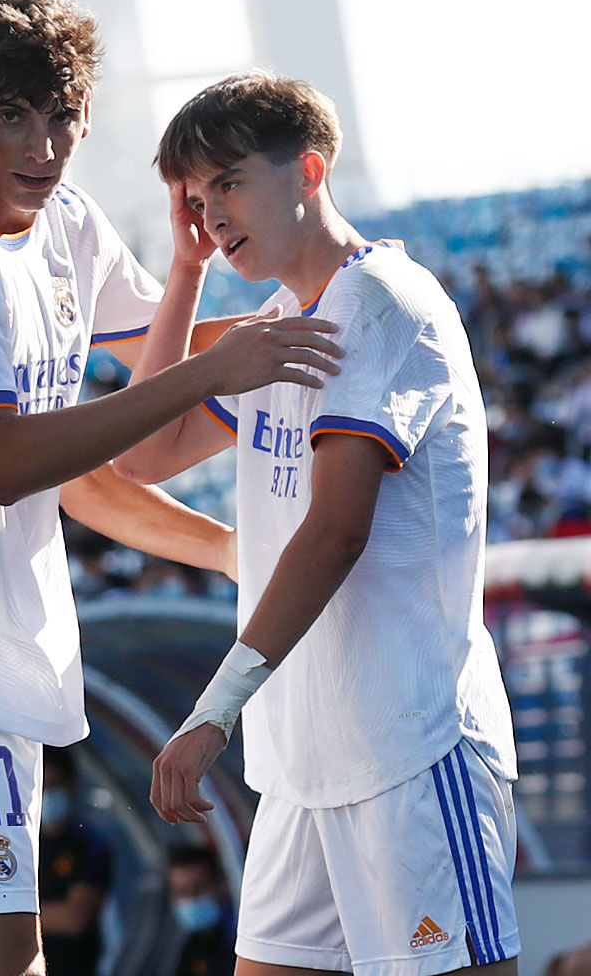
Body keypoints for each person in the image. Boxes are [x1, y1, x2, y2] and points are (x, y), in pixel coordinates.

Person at [0, 0, 344, 976]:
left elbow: (119, 405)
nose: (41, 148)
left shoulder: (71, 222)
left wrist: (221, 285)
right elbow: (13, 463)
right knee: (2, 964)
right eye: (12, 116)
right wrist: (219, 371)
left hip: (1, 660)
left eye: (63, 120)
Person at [125, 70, 519, 975]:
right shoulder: (276, 321)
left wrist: (213, 708)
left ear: (308, 170)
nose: (211, 212)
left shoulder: (383, 303)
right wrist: (183, 273)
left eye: (227, 182)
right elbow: (141, 455)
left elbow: (336, 532)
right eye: (195, 196)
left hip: (409, 748)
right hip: (303, 763)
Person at [37, 747, 112, 976]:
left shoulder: (89, 846)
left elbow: (75, 919)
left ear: (72, 786)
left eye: (55, 785)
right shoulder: (19, 846)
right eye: (42, 787)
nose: (48, 794)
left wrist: (8, 917)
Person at [167, 845, 236, 976]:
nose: (191, 899)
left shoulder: (241, 936)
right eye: (182, 892)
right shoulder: (191, 948)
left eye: (198, 889)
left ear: (221, 885)